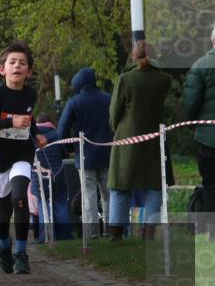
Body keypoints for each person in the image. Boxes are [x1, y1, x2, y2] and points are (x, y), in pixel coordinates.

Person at [0, 41, 48, 275]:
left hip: (21, 154)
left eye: (23, 63)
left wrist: (36, 133)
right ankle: (4, 243)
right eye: (12, 62)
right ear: (2, 69)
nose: (17, 66)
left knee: (20, 197)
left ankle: (21, 253)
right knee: (4, 210)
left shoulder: (30, 93)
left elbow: (29, 117)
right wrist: (9, 122)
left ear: (29, 71)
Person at [107, 40, 173, 240]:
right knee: (154, 185)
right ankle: (149, 231)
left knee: (120, 185)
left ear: (133, 56)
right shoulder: (164, 80)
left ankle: (116, 233)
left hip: (127, 138)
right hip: (154, 139)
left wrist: (117, 129)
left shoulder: (125, 79)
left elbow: (114, 113)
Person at [57, 67, 113, 239]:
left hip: (85, 155)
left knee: (88, 196)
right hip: (108, 153)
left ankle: (92, 233)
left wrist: (70, 148)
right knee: (108, 195)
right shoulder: (108, 98)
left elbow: (62, 130)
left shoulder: (75, 102)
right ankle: (112, 231)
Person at [183, 24, 215, 239]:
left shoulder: (200, 66)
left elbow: (191, 104)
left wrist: (194, 125)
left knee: (211, 184)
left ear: (212, 42)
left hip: (209, 139)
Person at [32, 114, 73, 241]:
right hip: (58, 173)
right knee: (61, 202)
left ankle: (47, 236)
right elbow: (66, 153)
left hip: (38, 176)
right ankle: (65, 235)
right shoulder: (57, 134)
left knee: (43, 204)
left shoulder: (31, 136)